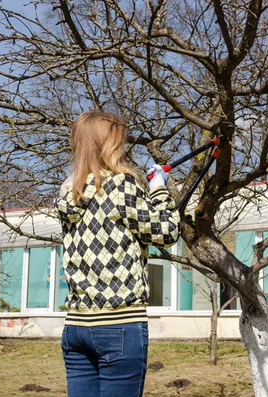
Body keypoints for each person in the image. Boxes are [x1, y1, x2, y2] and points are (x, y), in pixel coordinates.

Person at [56, 110, 180, 397]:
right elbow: (167, 232)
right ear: (111, 144)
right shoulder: (120, 186)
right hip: (119, 324)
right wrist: (159, 189)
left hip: (76, 327)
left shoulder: (67, 193)